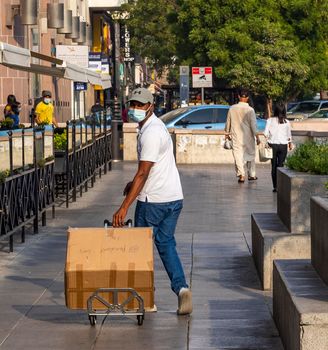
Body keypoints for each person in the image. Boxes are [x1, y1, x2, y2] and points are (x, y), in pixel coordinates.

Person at [112, 87, 192, 315]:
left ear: (150, 106)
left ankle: (146, 298)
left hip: (153, 201)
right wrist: (132, 185)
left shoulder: (150, 133)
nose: (135, 108)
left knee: (142, 250)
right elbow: (149, 169)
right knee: (166, 245)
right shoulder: (156, 127)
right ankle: (182, 289)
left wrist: (124, 206)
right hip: (173, 197)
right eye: (133, 104)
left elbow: (143, 173)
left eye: (140, 105)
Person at [225, 89, 260, 183]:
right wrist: (257, 137)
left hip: (236, 136)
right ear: (247, 98)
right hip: (248, 137)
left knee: (238, 156)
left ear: (239, 97)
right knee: (251, 155)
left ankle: (241, 175)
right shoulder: (250, 110)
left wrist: (227, 134)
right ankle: (252, 175)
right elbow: (254, 125)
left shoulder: (232, 108)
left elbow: (228, 122)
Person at [264, 103, 292, 192]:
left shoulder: (270, 120)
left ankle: (275, 186)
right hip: (283, 146)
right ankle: (280, 186)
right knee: (281, 166)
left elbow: (265, 133)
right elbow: (289, 135)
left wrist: (269, 138)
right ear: (284, 111)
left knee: (274, 166)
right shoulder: (287, 122)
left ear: (275, 110)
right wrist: (290, 143)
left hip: (273, 145)